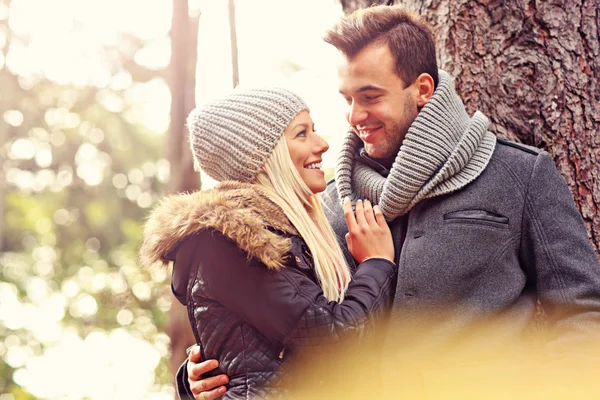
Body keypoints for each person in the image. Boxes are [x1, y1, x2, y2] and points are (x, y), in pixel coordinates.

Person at [182, 5, 600, 399]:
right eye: (347, 99)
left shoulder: (517, 174)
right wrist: (201, 376)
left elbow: (583, 314)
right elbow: (287, 324)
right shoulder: (324, 204)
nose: (354, 115)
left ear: (421, 89)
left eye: (370, 97)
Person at [138, 87, 398, 399]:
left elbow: (258, 348)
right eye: (302, 134)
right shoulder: (232, 244)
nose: (323, 144)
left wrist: (198, 374)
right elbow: (334, 341)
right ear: (261, 157)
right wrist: (377, 263)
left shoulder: (296, 234)